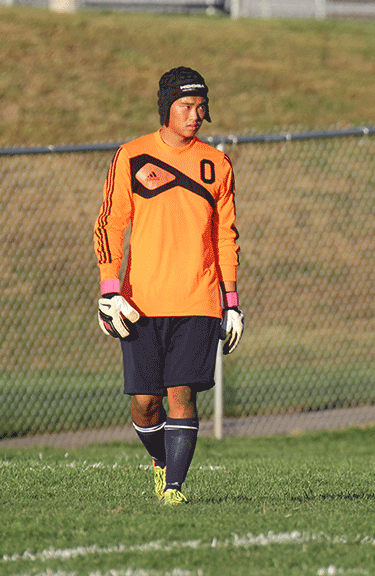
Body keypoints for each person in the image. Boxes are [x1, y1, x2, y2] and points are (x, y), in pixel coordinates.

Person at [93, 66, 244, 506]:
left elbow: (226, 236)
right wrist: (109, 290)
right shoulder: (132, 155)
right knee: (145, 403)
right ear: (166, 109)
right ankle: (163, 464)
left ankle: (174, 490)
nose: (195, 115)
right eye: (186, 106)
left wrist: (231, 302)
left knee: (181, 392)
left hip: (199, 299)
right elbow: (110, 223)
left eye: (201, 107)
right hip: (141, 301)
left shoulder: (218, 163)